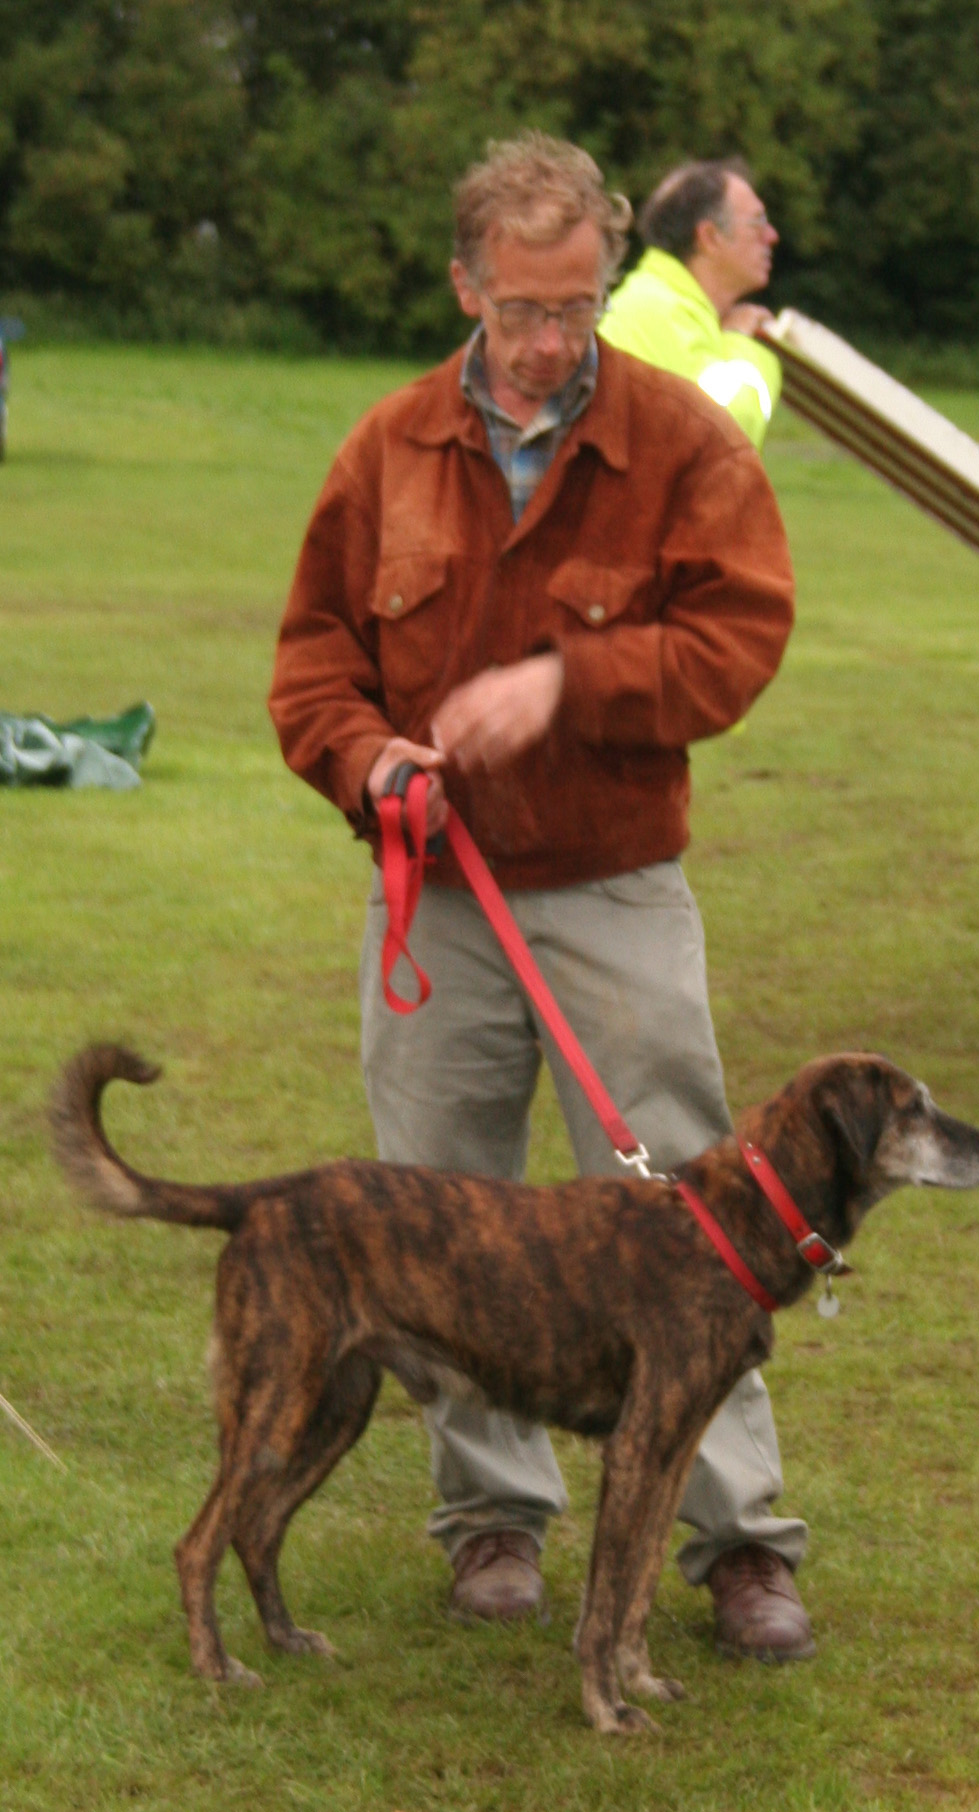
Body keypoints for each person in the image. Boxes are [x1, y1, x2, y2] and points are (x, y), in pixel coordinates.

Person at [269, 132, 813, 1663]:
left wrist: (571, 679)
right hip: (434, 897)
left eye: (577, 305)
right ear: (465, 285)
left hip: (612, 885)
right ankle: (491, 1521)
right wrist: (370, 761)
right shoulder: (385, 448)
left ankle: (741, 1542)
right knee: (442, 1215)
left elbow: (739, 640)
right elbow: (313, 663)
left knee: (696, 1219)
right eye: (523, 308)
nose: (553, 341)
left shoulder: (679, 441)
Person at [599, 157, 782, 450]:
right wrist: (745, 343)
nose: (772, 236)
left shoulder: (665, 304)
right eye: (757, 223)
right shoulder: (658, 311)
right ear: (710, 237)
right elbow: (727, 433)